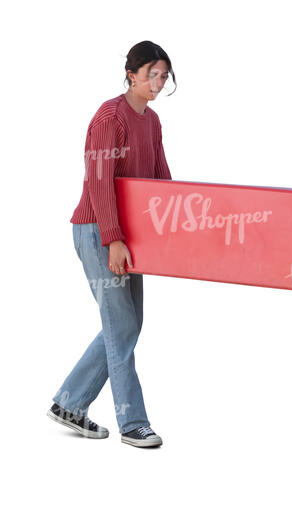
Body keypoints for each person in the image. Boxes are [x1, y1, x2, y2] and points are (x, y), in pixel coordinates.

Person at [47, 41, 176, 448]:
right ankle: (132, 422)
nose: (159, 83)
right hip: (98, 230)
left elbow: (161, 181)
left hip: (129, 234)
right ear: (131, 74)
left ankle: (69, 402)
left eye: (164, 76)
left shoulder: (151, 122)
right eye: (153, 74)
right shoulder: (110, 117)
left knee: (126, 325)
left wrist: (177, 229)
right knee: (121, 326)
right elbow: (98, 183)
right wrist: (114, 239)